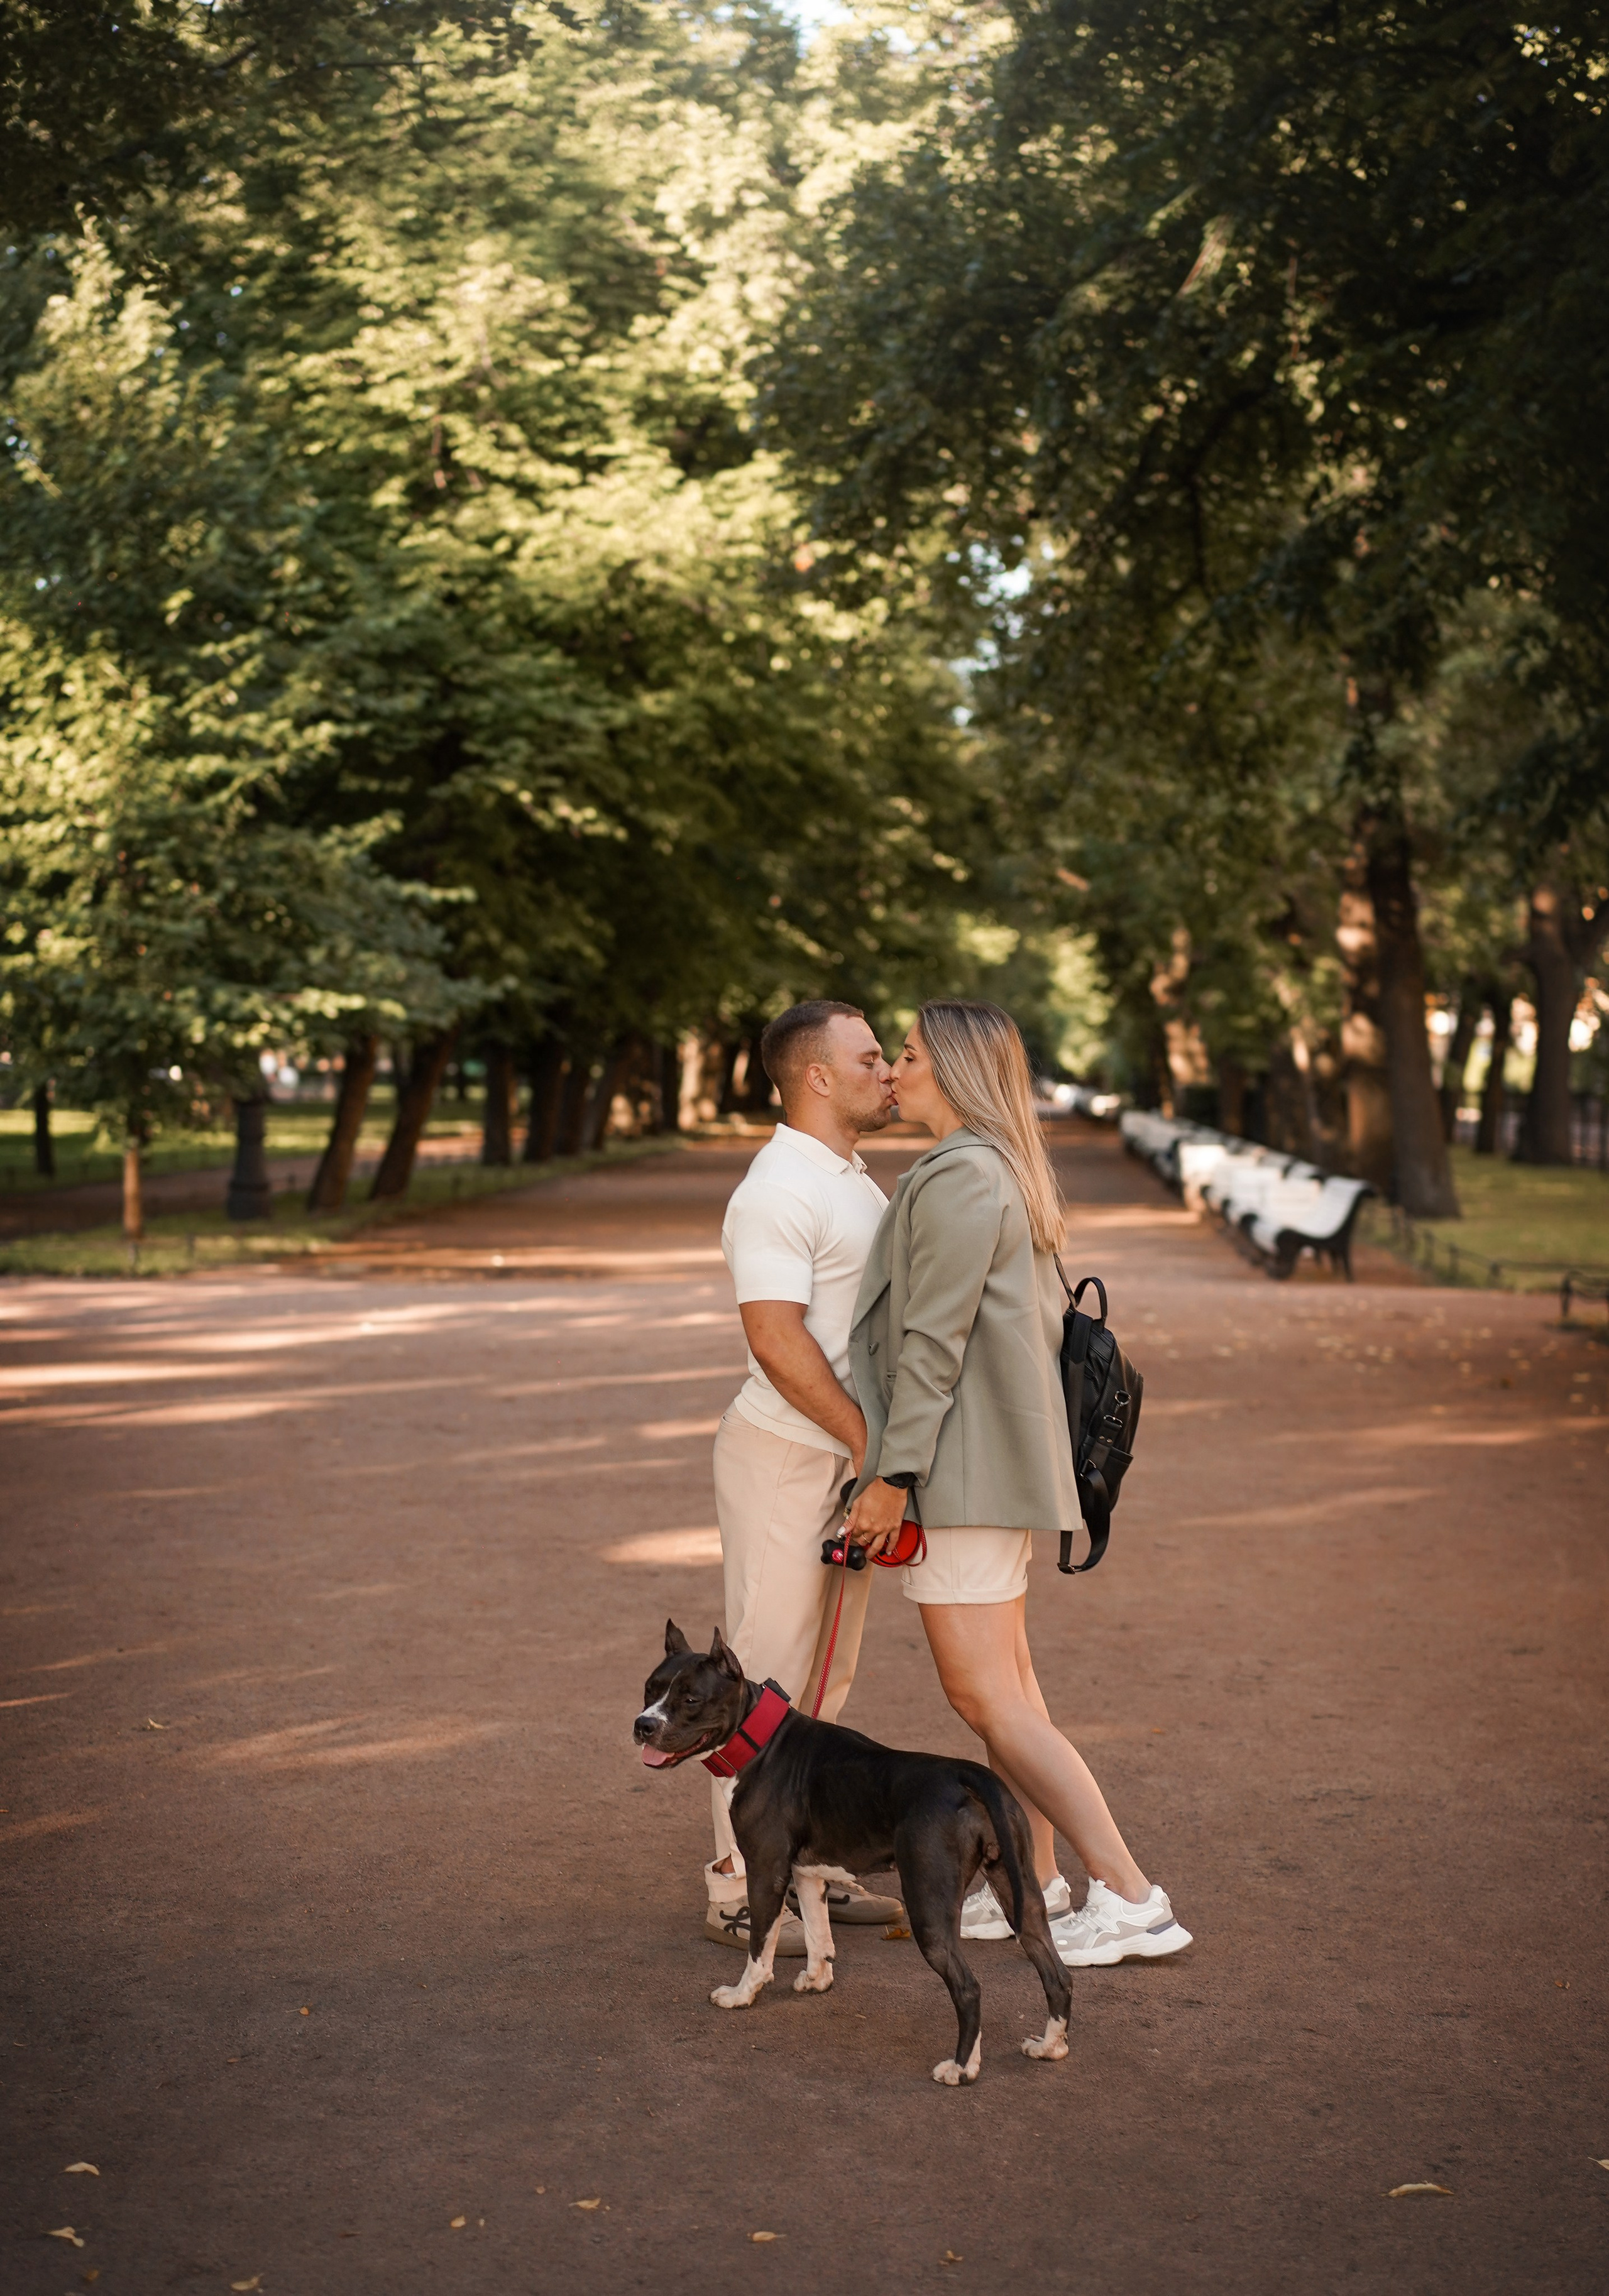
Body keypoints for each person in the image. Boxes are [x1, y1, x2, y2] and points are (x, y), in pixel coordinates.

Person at [843, 999, 1191, 1967]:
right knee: (1013, 1693)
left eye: (908, 1053)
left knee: (989, 1698)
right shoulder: (996, 1169)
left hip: (962, 1474)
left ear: (951, 1070)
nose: (895, 1068)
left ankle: (1132, 1893)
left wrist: (890, 1476)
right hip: (989, 1471)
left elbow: (932, 1349)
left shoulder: (961, 1178)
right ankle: (1035, 1885)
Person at [706, 1000, 906, 1952]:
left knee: (825, 1680)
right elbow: (776, 1338)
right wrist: (872, 1444)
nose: (888, 1070)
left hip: (841, 1456)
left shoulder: (851, 1178)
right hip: (792, 1455)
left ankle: (803, 1874)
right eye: (871, 1057)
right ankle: (739, 1886)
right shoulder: (780, 1187)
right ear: (817, 1076)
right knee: (762, 1686)